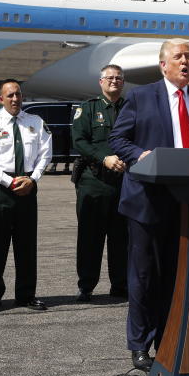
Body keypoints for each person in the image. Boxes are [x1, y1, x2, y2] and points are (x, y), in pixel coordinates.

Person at [109, 38, 189, 372]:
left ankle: (170, 340)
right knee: (146, 276)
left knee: (178, 278)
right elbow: (119, 139)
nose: (186, 62)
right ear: (163, 64)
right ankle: (140, 345)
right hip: (148, 200)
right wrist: (140, 156)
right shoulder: (140, 96)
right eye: (179, 57)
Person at [0, 79, 52, 312]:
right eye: (9, 96)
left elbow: (46, 154)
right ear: (0, 99)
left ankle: (26, 294)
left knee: (26, 245)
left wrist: (33, 178)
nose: (15, 99)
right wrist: (11, 182)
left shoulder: (35, 122)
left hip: (28, 187)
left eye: (18, 94)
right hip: (1, 189)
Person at [71, 64, 128, 302]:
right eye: (109, 78)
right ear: (101, 82)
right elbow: (79, 141)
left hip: (124, 182)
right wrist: (103, 158)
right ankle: (86, 286)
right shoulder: (88, 109)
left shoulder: (131, 108)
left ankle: (121, 285)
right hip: (94, 181)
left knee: (122, 238)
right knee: (90, 238)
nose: (114, 81)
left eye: (118, 78)